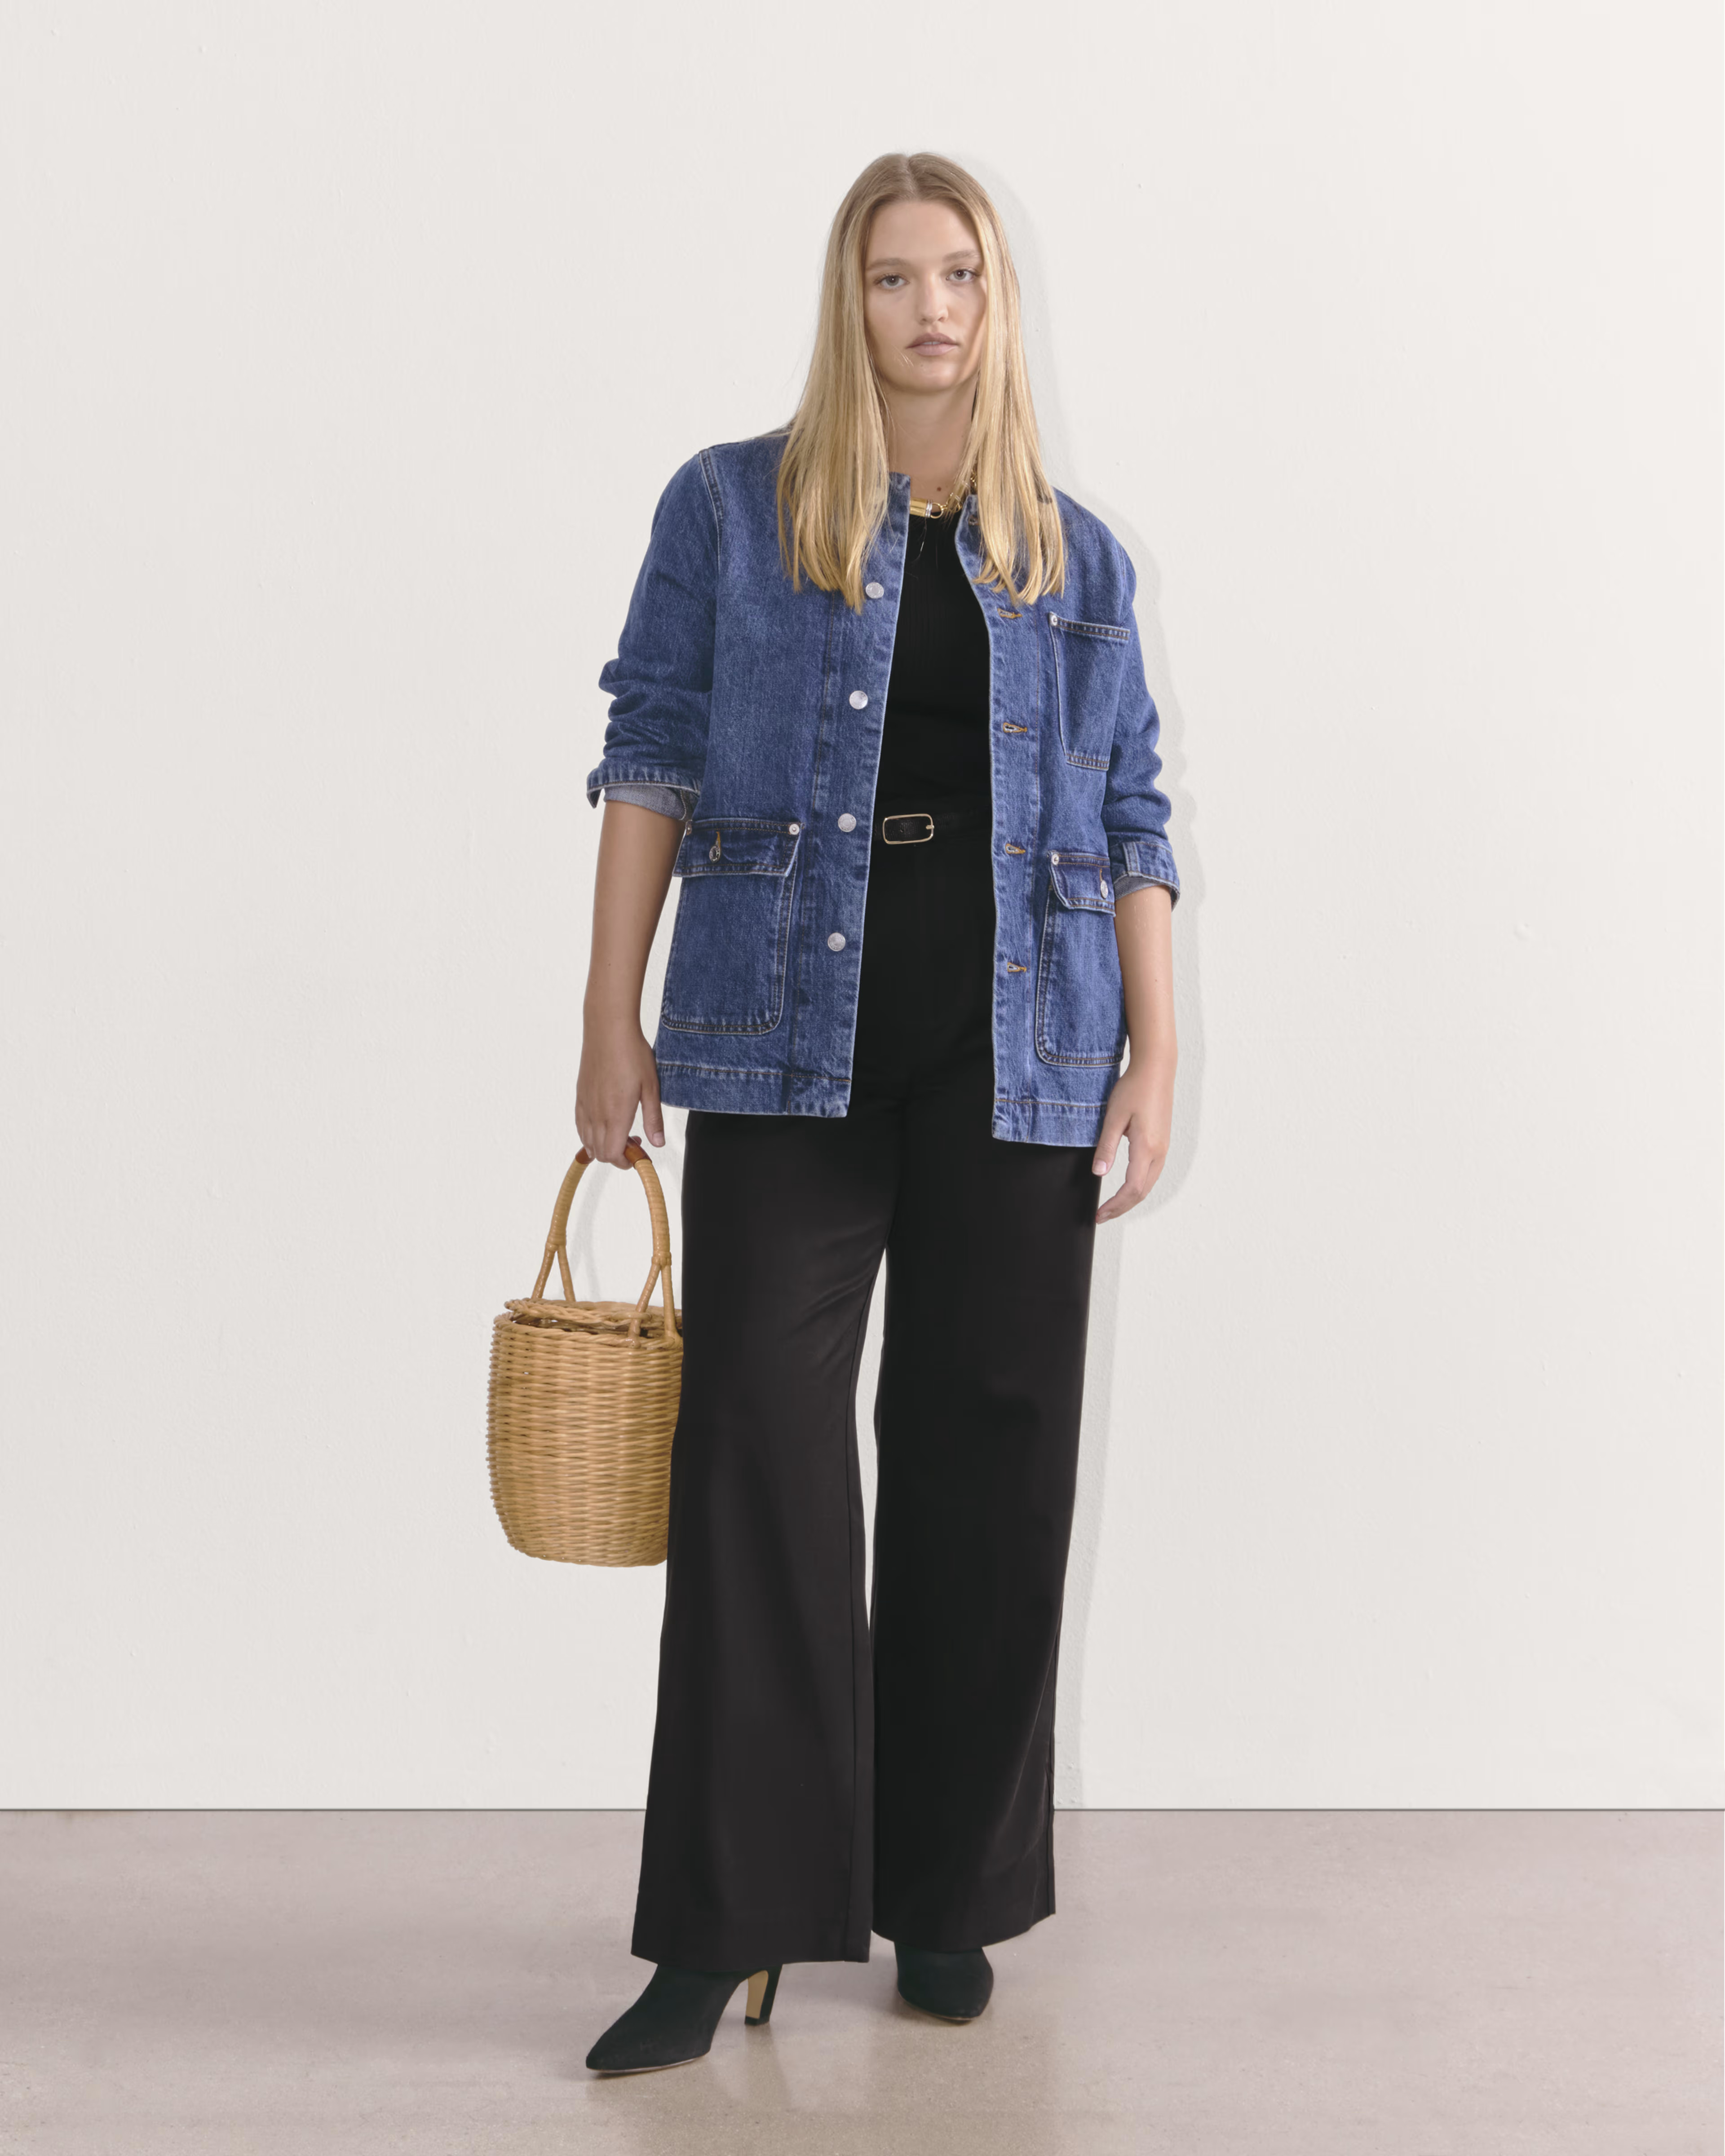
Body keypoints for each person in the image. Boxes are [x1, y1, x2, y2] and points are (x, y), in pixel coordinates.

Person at [575, 150, 1180, 2075]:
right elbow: (653, 749)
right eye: (897, 276)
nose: (933, 309)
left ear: (1000, 304)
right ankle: (727, 1925)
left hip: (1023, 1040)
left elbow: (1134, 814)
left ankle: (943, 1891)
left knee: (988, 1458)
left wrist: (1157, 1053)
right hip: (779, 1029)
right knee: (753, 1447)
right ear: (849, 302)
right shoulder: (730, 507)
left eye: (962, 275)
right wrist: (608, 1016)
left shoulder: (1074, 554)